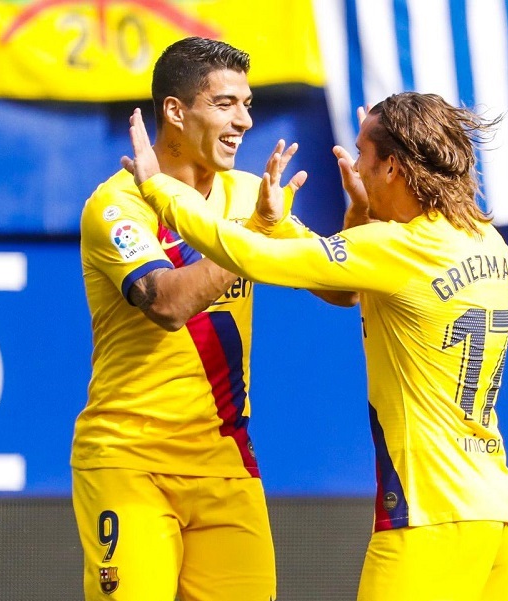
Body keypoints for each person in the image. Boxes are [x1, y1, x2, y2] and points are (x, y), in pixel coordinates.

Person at [121, 91, 508, 601]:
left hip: (429, 516)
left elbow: (250, 255)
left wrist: (158, 188)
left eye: (363, 154)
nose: (355, 168)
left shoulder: (398, 249)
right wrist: (356, 214)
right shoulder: (488, 242)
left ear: (392, 168)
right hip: (497, 512)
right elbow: (366, 270)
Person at [74, 37, 361, 601]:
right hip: (130, 460)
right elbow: (167, 304)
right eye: (225, 104)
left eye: (247, 105)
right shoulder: (117, 206)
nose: (244, 121)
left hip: (225, 460)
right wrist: (254, 234)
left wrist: (361, 216)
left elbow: (342, 291)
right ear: (176, 112)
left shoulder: (251, 194)